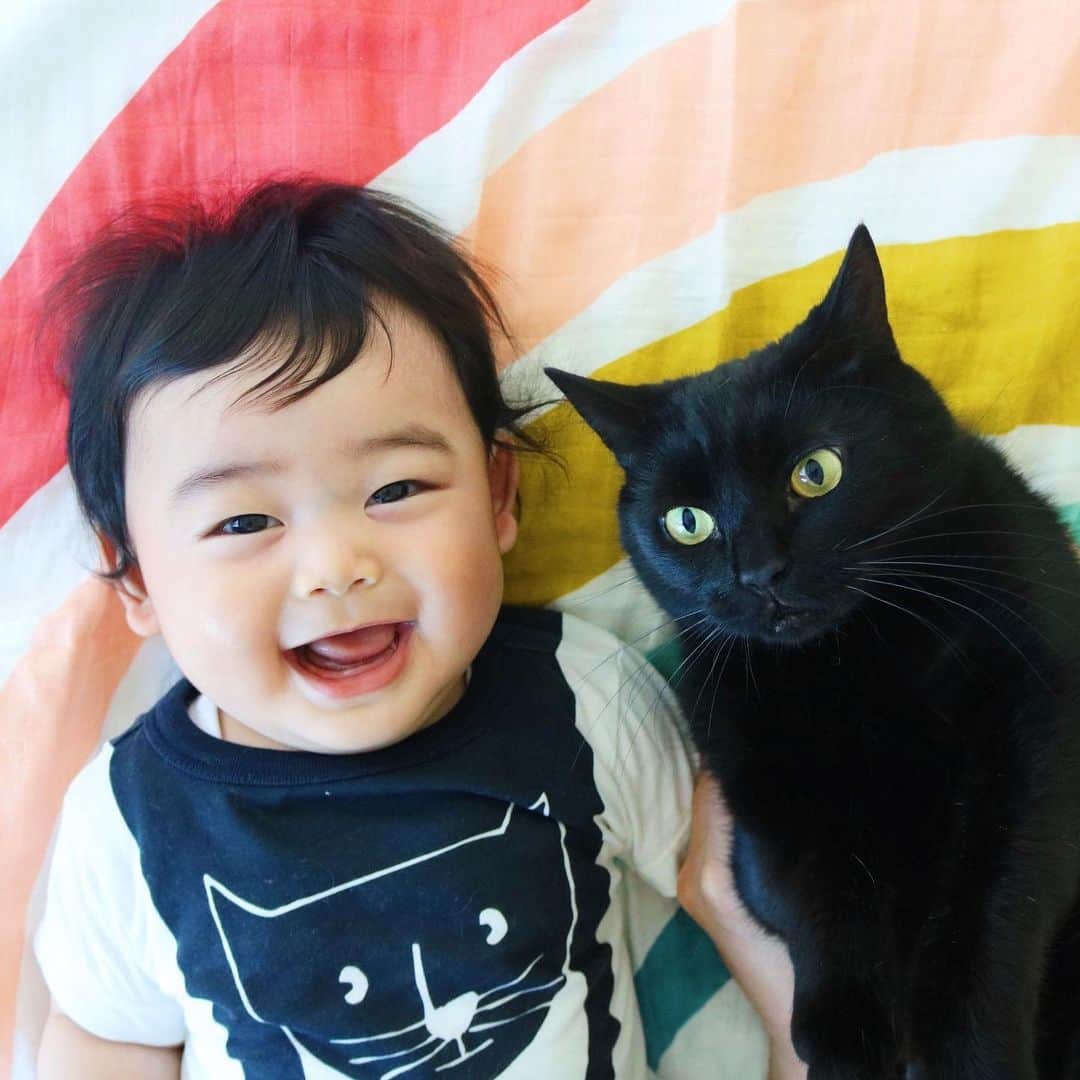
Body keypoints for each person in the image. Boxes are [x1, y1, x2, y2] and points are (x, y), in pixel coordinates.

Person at [33, 178, 803, 1079]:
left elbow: (739, 888)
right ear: (135, 576)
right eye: (245, 523)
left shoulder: (577, 699)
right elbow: (107, 1038)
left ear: (497, 495)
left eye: (395, 490)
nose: (336, 565)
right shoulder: (130, 820)